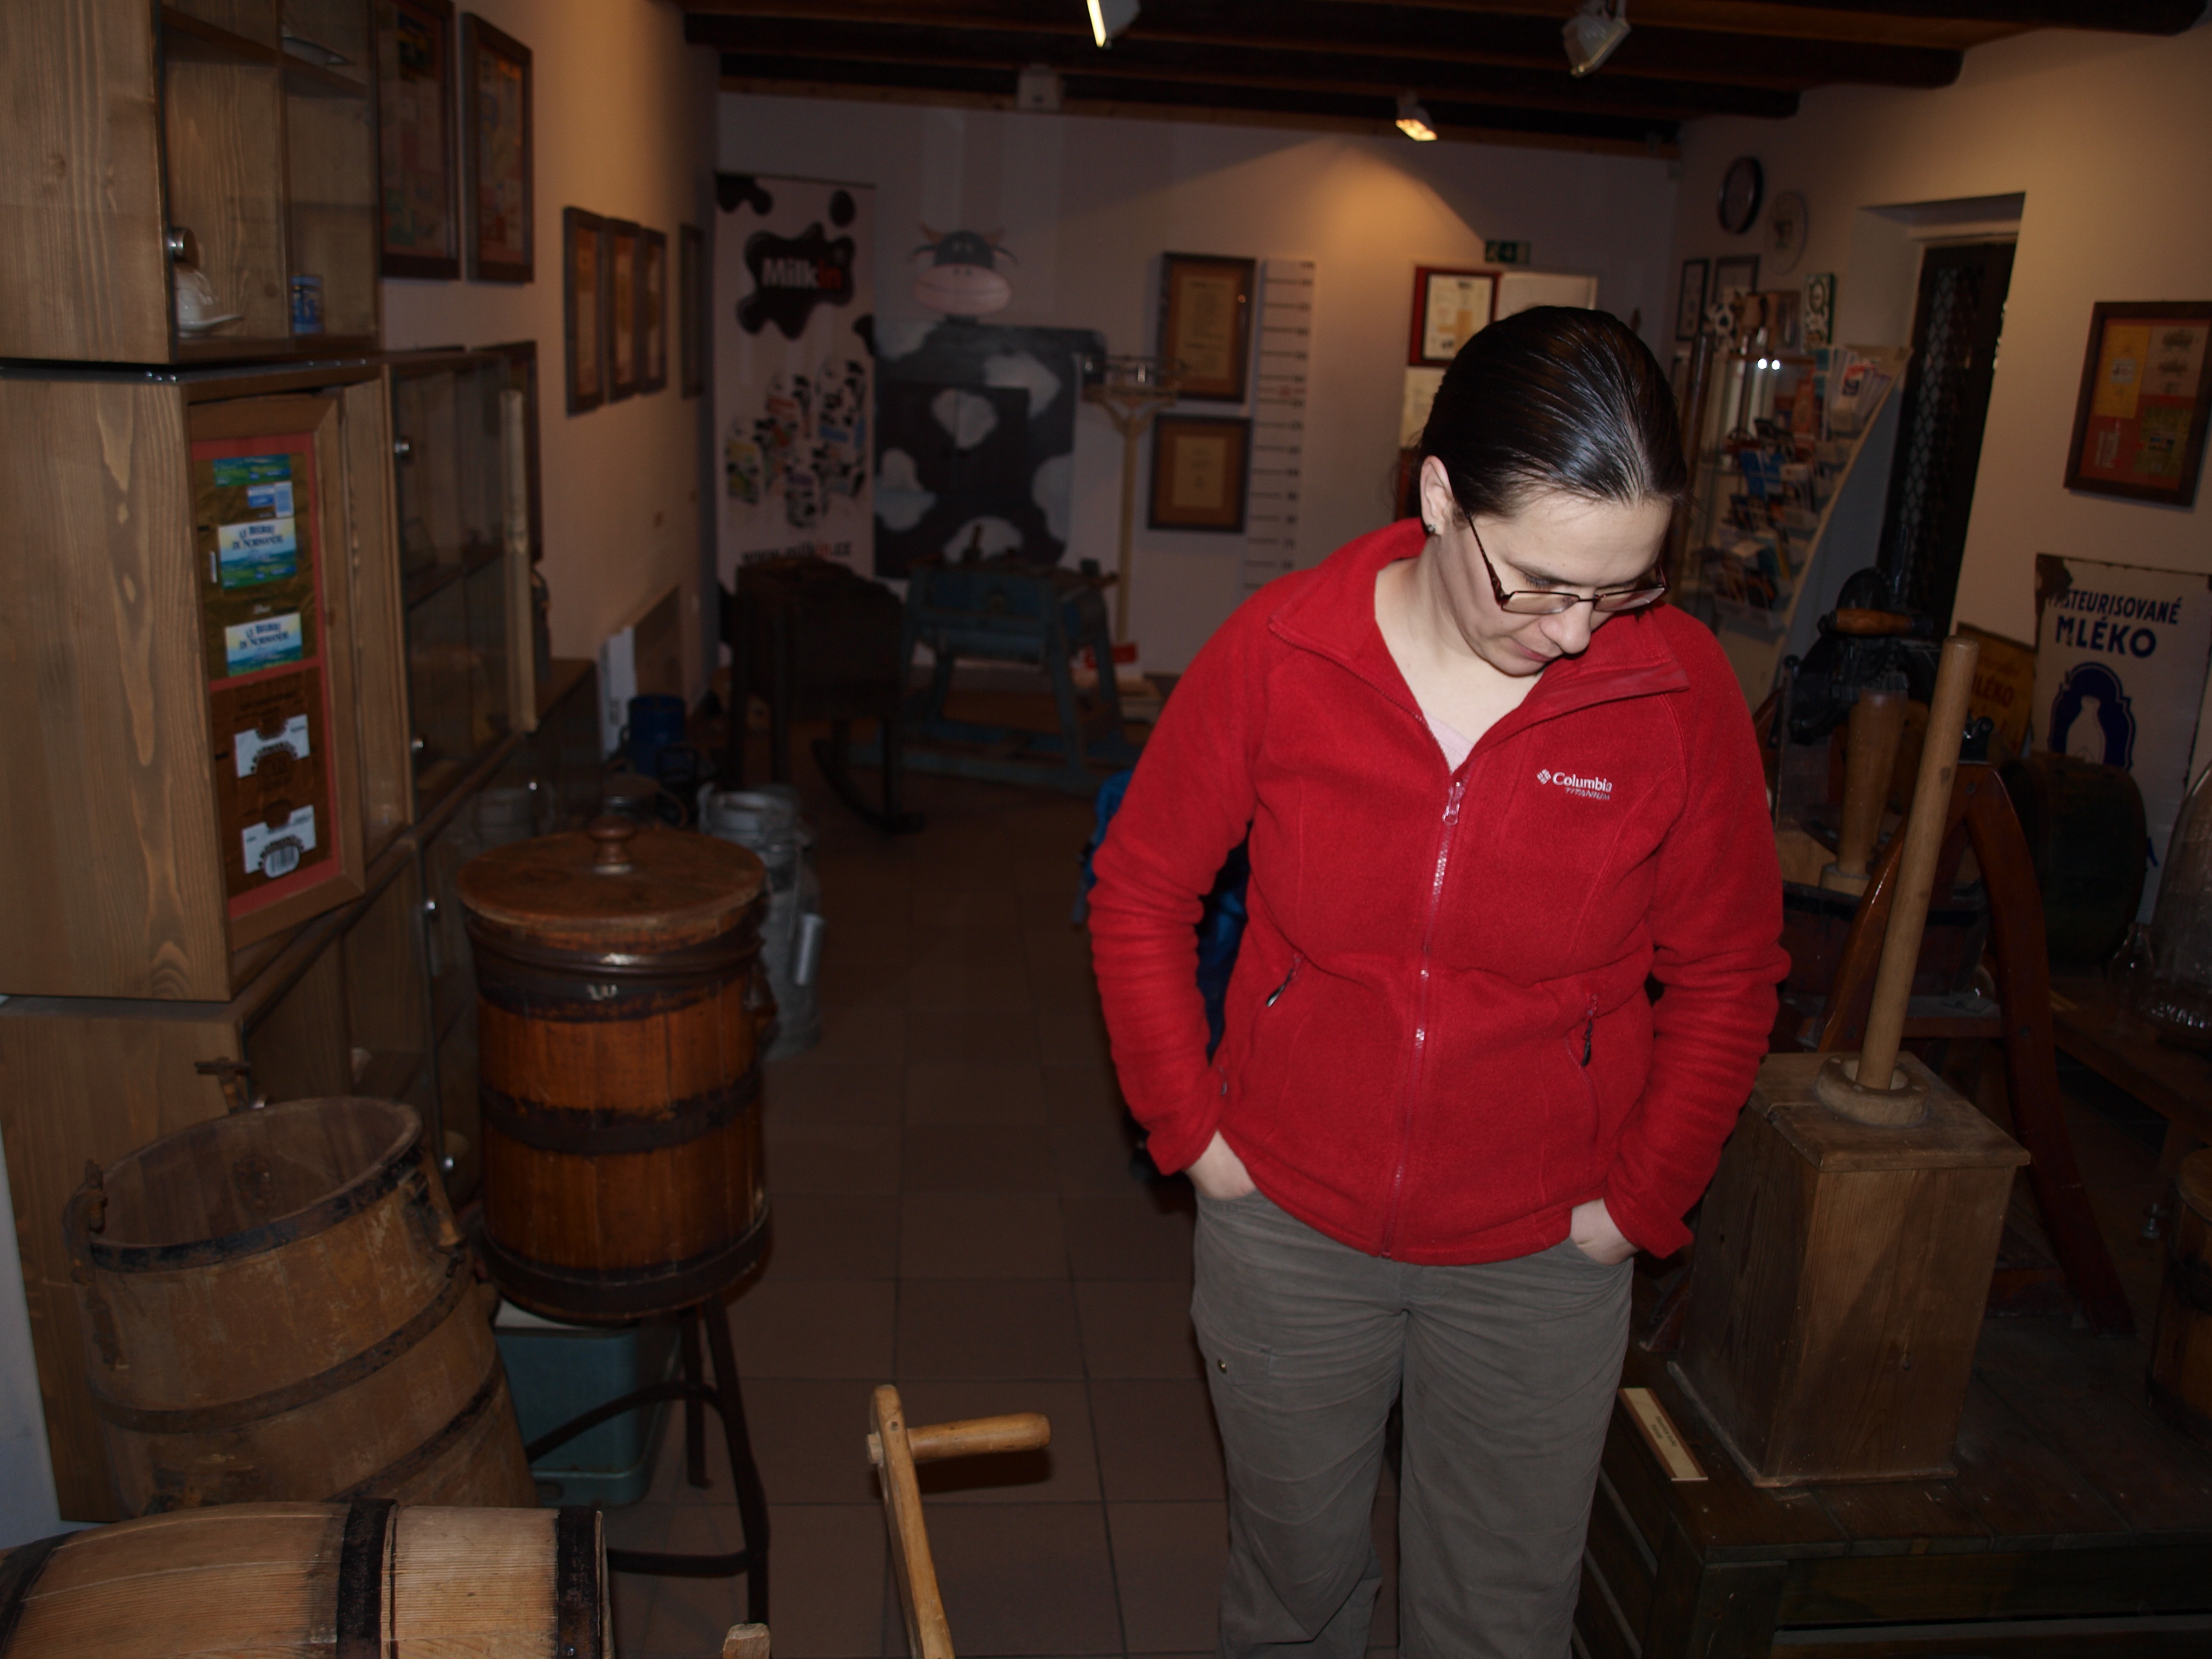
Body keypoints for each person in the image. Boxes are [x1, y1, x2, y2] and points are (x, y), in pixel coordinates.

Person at [1086, 307, 1787, 1659]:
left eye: (1621, 589)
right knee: (1292, 1599)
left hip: (1544, 1253)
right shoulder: (1284, 651)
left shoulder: (1676, 693)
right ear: (1439, 497)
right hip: (1287, 1226)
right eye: (1540, 583)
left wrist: (1638, 1204)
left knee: (1499, 1621)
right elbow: (1140, 888)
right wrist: (1191, 1132)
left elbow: (1729, 973)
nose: (1575, 633)